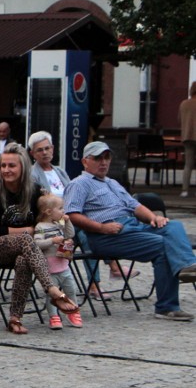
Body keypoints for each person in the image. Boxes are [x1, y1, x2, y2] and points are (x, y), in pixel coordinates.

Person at [64, 141, 196, 322]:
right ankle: (167, 307)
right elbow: (72, 214)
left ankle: (187, 267)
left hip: (131, 227)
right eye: (97, 158)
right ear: (85, 162)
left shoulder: (112, 183)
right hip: (106, 234)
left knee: (173, 226)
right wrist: (102, 227)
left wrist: (153, 218)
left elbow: (135, 206)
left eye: (106, 157)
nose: (103, 162)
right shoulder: (79, 184)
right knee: (163, 246)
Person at [0, 143, 79, 334]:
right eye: (3, 166)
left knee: (24, 260)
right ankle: (51, 289)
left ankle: (15, 318)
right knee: (27, 239)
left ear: (23, 167)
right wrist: (26, 230)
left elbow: (44, 220)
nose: (6, 170)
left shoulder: (34, 190)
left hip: (27, 250)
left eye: (12, 166)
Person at [28, 130, 132, 296]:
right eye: (40, 150)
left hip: (68, 217)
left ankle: (108, 271)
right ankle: (98, 280)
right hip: (52, 223)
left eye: (47, 148)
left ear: (53, 149)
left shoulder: (60, 171)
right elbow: (38, 204)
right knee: (86, 233)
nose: (45, 152)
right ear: (32, 153)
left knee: (92, 226)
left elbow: (75, 195)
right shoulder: (32, 175)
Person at [34, 194, 82, 329]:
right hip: (50, 268)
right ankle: (53, 316)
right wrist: (51, 241)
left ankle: (73, 310)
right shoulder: (40, 227)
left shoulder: (58, 223)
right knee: (53, 295)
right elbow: (37, 243)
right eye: (60, 208)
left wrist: (67, 222)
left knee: (71, 290)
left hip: (64, 265)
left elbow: (69, 234)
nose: (63, 211)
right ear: (49, 212)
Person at [178, 80, 196, 198]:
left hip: (187, 137)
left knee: (188, 165)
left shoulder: (184, 104)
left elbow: (179, 119)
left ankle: (185, 190)